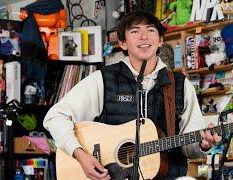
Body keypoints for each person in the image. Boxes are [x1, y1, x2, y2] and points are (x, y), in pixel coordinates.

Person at [43, 10, 221, 179]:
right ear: (122, 43)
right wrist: (80, 155)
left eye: (151, 30)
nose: (144, 36)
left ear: (160, 40)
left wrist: (203, 144)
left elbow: (190, 147)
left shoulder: (180, 85)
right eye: (135, 31)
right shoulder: (103, 79)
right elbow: (54, 117)